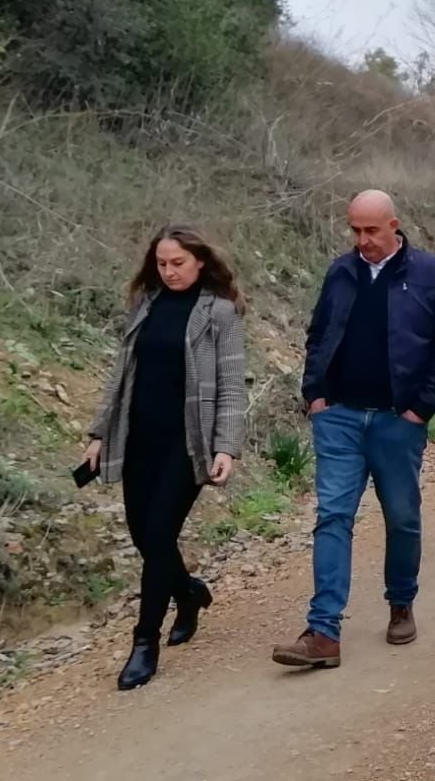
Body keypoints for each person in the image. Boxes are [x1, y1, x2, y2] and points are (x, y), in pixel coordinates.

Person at [271, 190, 435, 670]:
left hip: (397, 420)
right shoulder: (341, 271)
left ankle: (401, 602)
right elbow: (319, 333)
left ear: (393, 225)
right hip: (338, 416)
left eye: (371, 231)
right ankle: (323, 631)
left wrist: (423, 407)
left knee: (401, 517)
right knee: (333, 516)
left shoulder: (428, 273)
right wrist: (315, 393)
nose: (363, 241)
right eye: (355, 230)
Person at [84, 225, 248, 691]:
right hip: (139, 439)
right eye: (162, 263)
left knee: (158, 533)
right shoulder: (145, 306)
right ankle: (189, 592)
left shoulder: (219, 313)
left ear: (199, 262)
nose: (170, 271)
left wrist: (226, 446)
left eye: (178, 262)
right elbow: (120, 376)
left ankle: (143, 642)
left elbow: (233, 384)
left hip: (188, 442)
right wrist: (99, 433)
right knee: (145, 537)